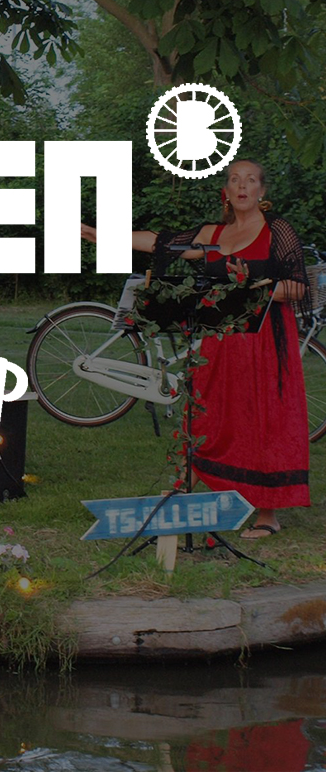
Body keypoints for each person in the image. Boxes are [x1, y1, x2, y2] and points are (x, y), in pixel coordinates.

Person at [81, 159, 309, 538]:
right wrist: (99, 234)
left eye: (250, 180)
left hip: (264, 340)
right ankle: (189, 491)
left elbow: (298, 285)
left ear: (262, 190)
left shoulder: (277, 230)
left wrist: (254, 288)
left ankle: (268, 513)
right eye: (235, 179)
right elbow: (159, 241)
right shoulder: (212, 233)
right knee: (208, 412)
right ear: (226, 191)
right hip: (221, 339)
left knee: (262, 418)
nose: (242, 186)